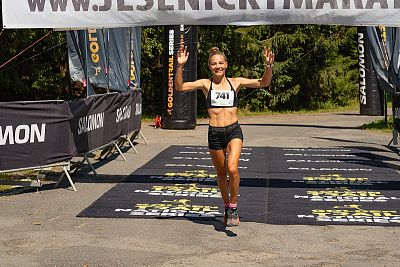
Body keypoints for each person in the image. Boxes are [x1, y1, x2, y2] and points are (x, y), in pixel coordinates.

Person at [175, 46, 274, 227]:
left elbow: (263, 83)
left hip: (233, 131)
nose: (218, 66)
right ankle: (227, 206)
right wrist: (180, 66)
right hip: (214, 134)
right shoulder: (206, 84)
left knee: (232, 168)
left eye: (221, 63)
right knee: (221, 174)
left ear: (226, 64)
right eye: (214, 64)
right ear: (209, 67)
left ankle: (234, 205)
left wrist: (269, 66)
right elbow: (180, 87)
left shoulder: (236, 82)